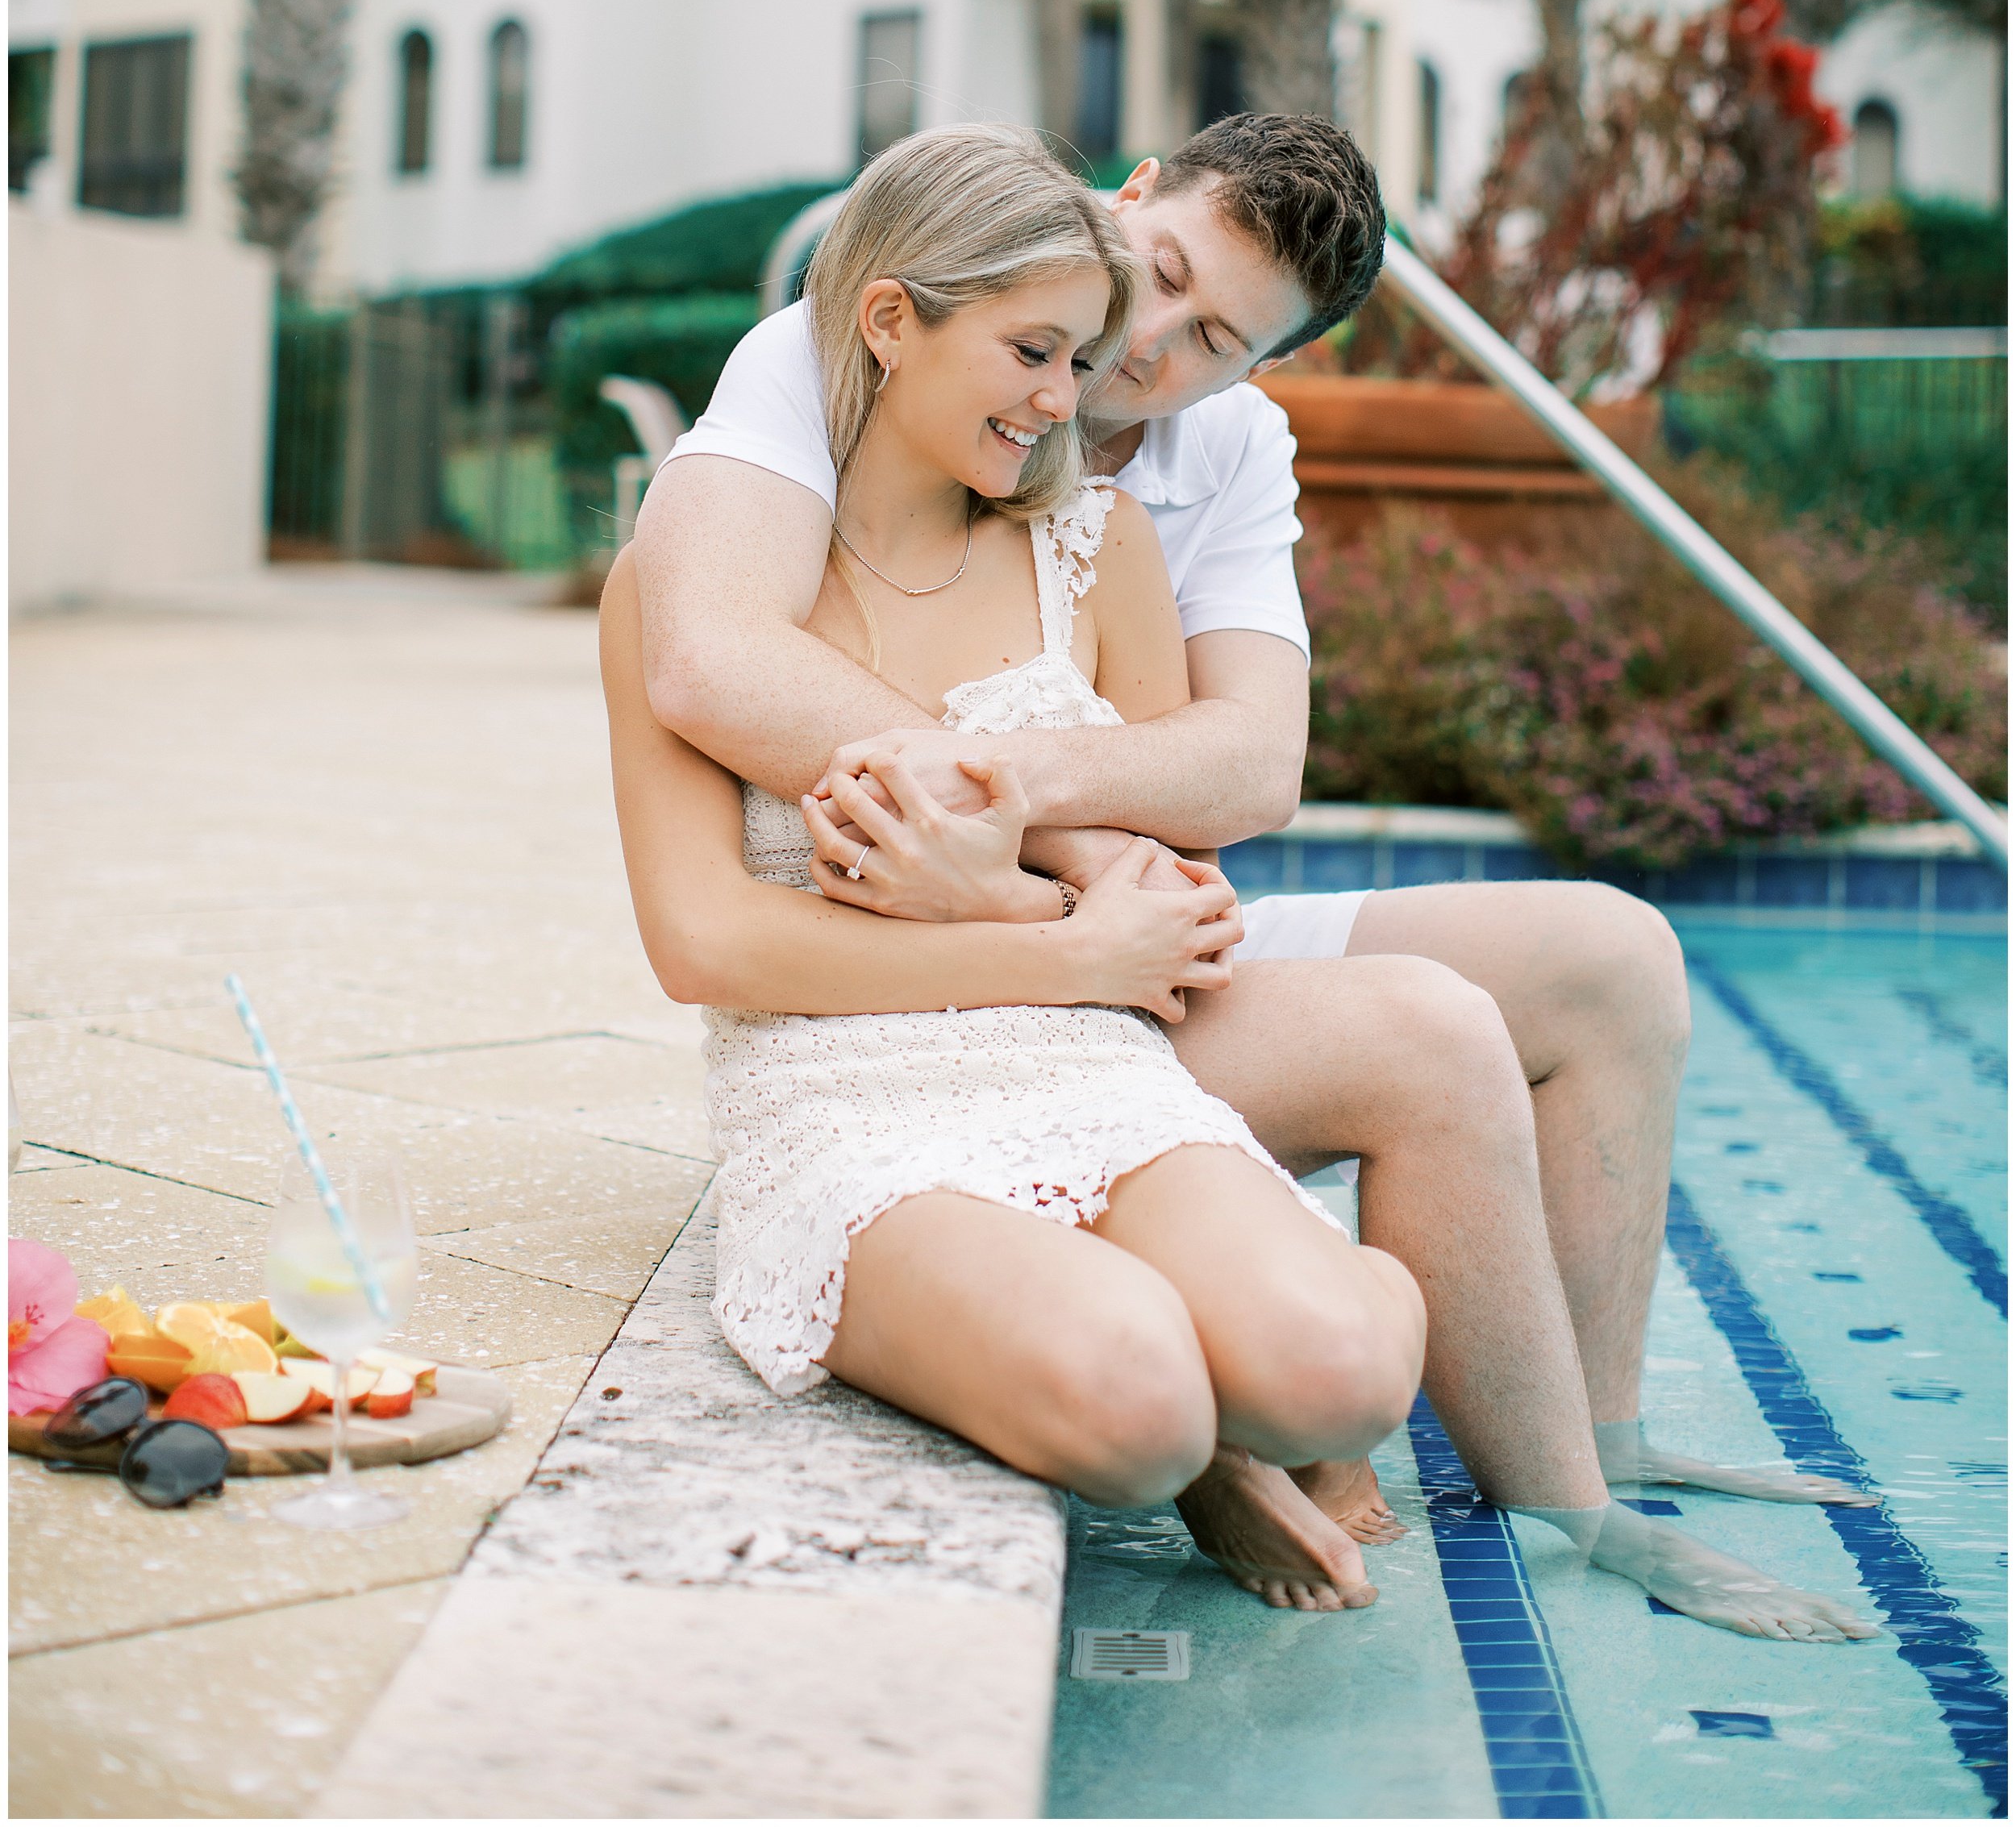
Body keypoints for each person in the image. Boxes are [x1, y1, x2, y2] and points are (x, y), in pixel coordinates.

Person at [624, 118, 1876, 1640]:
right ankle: (1219, 1403)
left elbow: (1244, 778)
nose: (1118, 355)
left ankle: (1579, 1472)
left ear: (1259, 365)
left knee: (1577, 973)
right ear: (1128, 200)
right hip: (922, 1025)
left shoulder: (1142, 512)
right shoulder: (802, 385)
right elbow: (701, 672)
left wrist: (1027, 844)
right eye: (1134, 287)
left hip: (1105, 975)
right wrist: (1039, 899)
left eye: (1209, 335)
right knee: (1149, 1371)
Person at [606, 127, 1433, 1545]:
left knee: (1341, 1373)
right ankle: (1195, 1418)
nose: (1077, 399)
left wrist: (1027, 896)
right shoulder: (696, 596)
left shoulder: (1107, 551)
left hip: (1098, 1073)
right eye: (1036, 352)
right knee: (1141, 1407)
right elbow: (706, 943)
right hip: (842, 1105)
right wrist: (1034, 932)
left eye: (1082, 354)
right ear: (890, 323)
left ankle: (1254, 1359)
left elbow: (1174, 908)